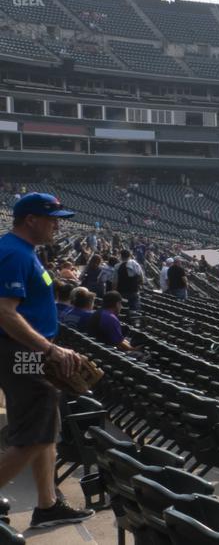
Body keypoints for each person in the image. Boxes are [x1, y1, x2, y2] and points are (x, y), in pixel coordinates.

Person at [0, 192, 95, 527]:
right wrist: (51, 350)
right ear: (31, 220)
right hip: (25, 354)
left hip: (31, 352)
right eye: (53, 218)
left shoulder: (24, 251)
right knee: (30, 438)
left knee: (46, 432)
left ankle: (47, 504)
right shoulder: (13, 254)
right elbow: (5, 313)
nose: (57, 225)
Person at [114, 248, 144, 322]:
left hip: (121, 291)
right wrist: (139, 285)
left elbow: (115, 281)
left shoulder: (117, 266)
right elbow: (141, 277)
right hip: (133, 290)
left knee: (123, 310)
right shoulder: (135, 264)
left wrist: (114, 291)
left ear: (121, 256)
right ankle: (134, 324)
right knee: (134, 310)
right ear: (130, 255)